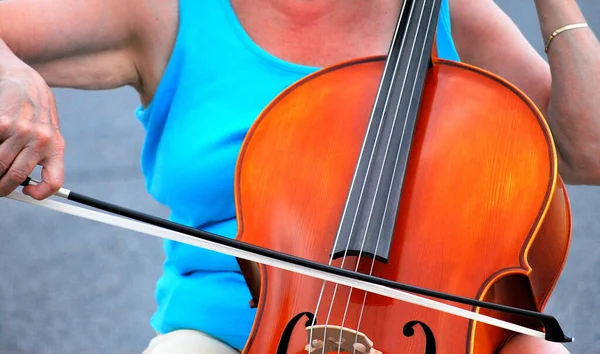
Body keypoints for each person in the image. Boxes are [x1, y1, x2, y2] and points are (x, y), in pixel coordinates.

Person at [0, 0, 598, 352]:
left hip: (448, 323)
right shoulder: (165, 12)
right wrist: (13, 78)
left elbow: (586, 151)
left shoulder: (448, 10)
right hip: (229, 332)